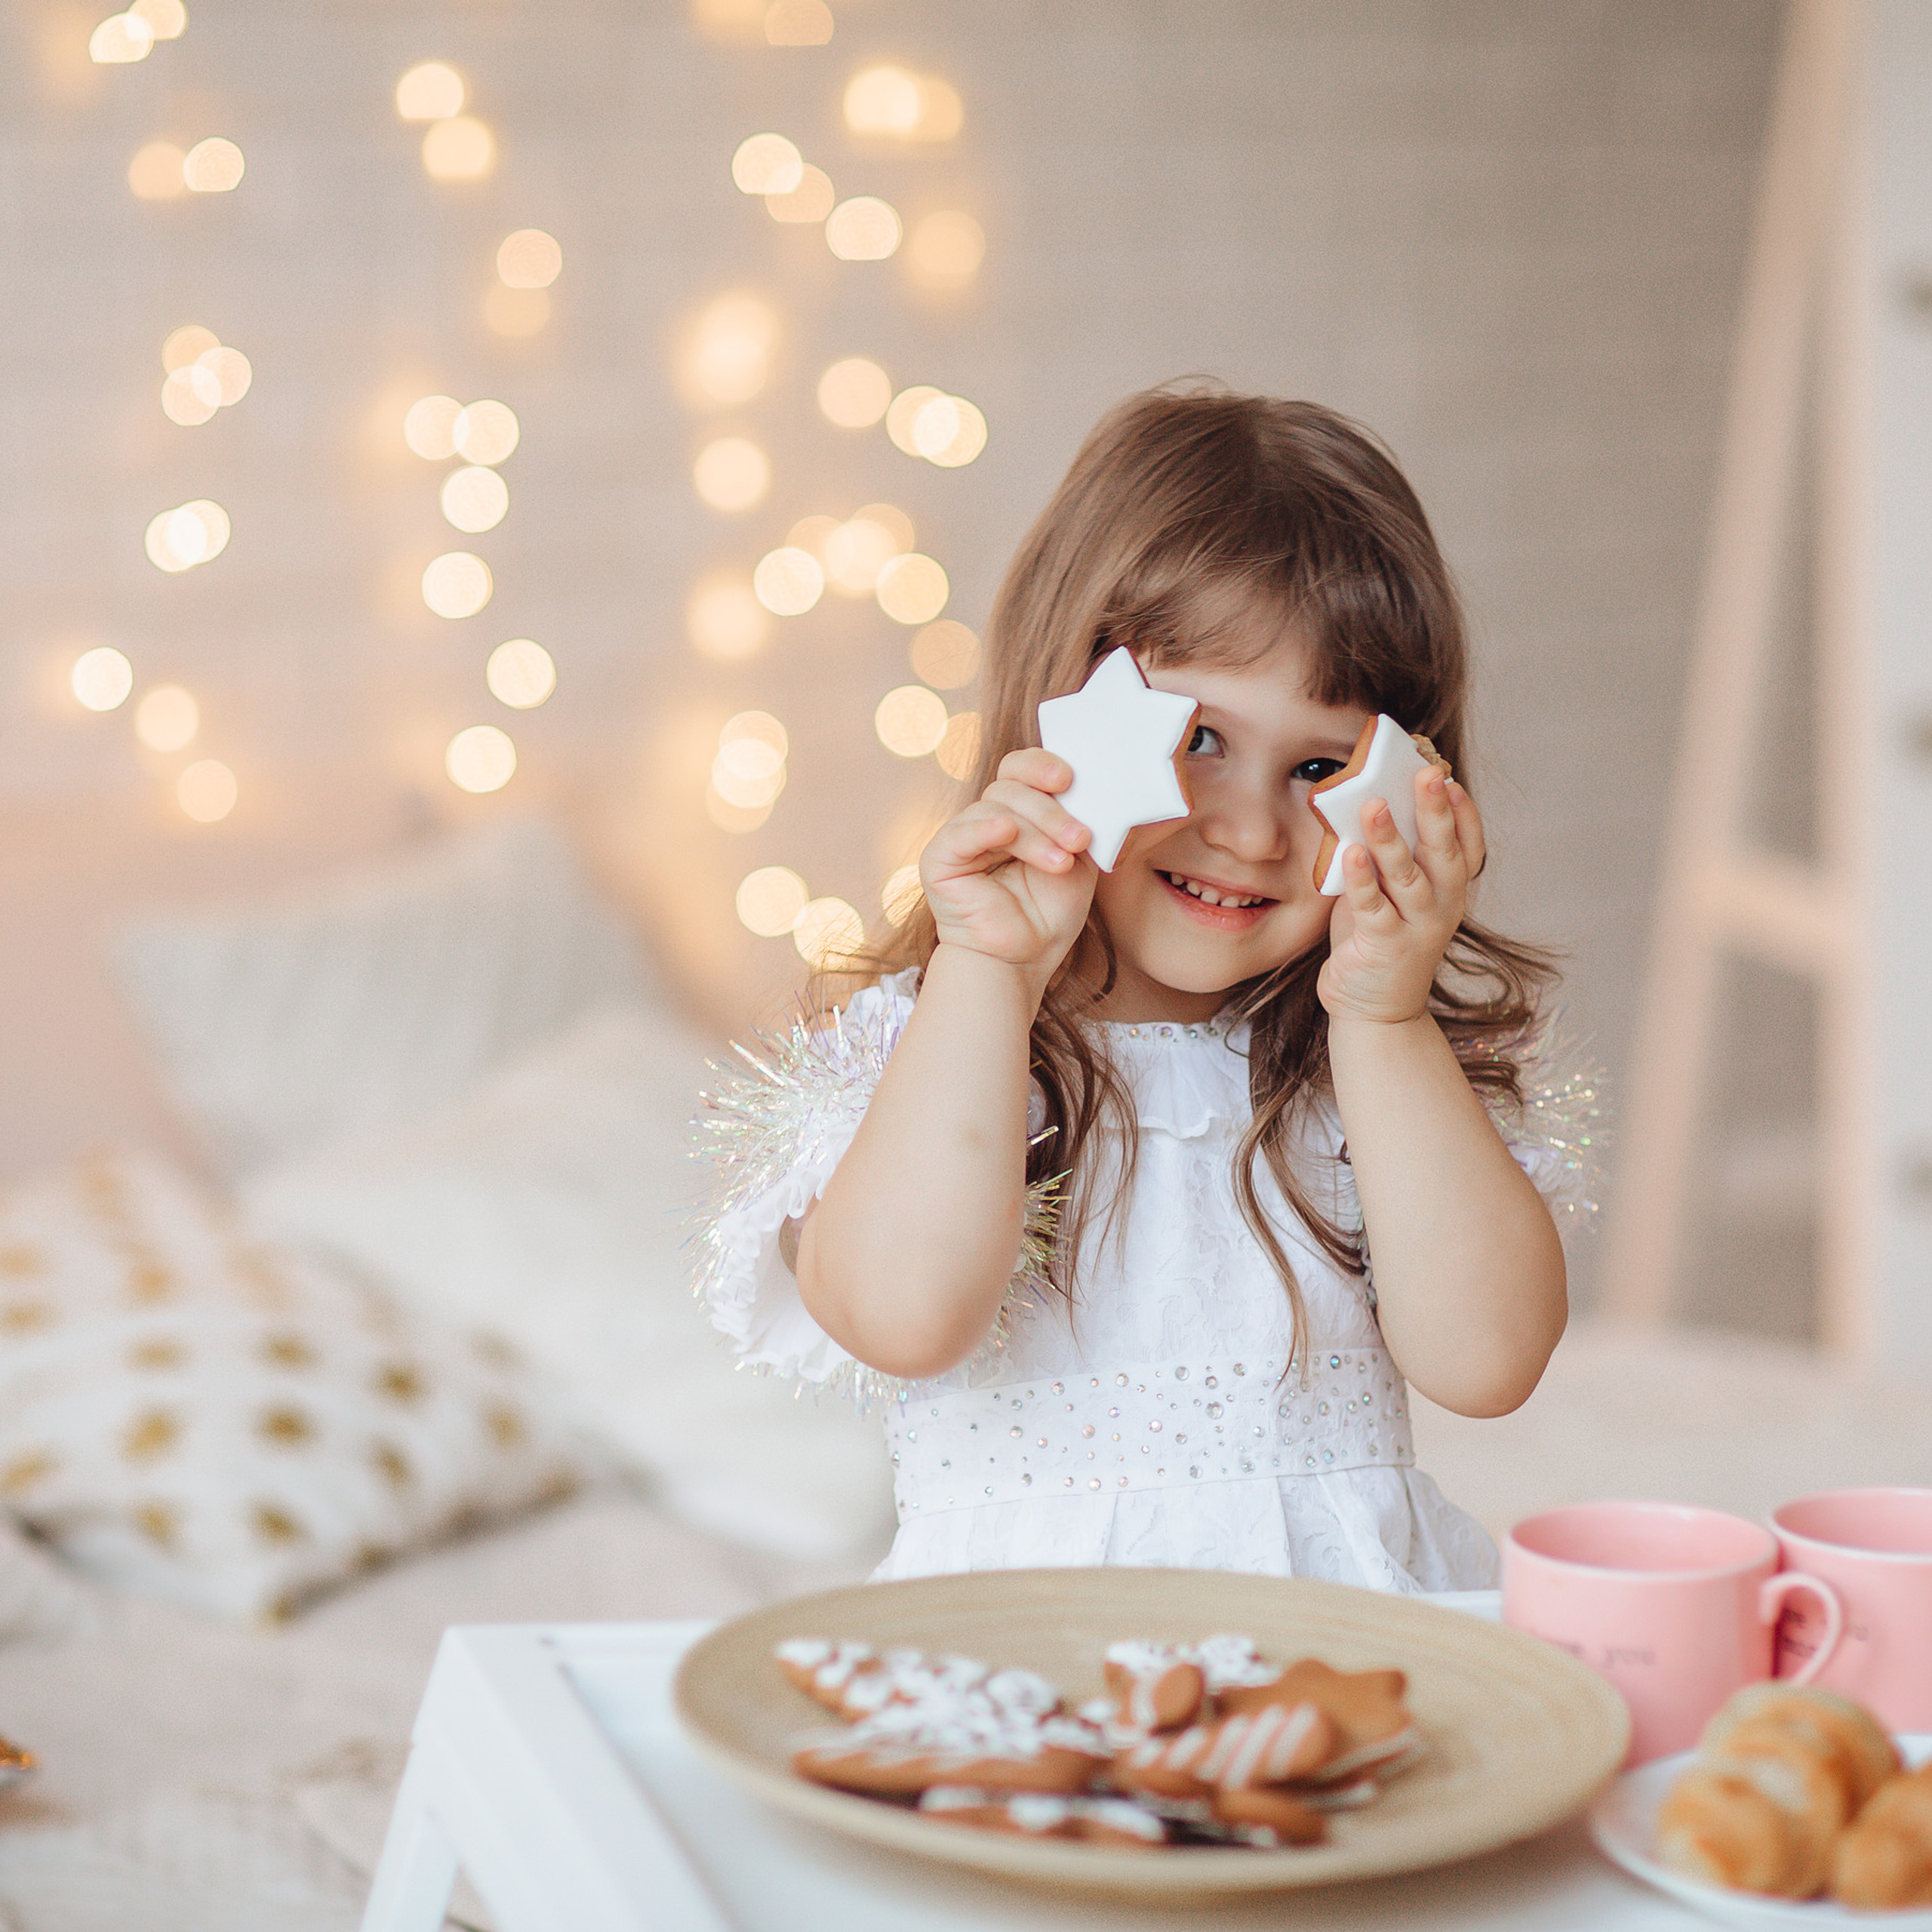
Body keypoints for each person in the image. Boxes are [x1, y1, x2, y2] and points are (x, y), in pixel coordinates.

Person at [694, 387, 1600, 1592]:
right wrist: (989, 975)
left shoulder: (1368, 1068)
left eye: (1320, 766)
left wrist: (1381, 1016)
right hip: (1033, 1662)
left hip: (1341, 1661)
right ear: (1055, 712)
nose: (1250, 830)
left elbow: (1489, 1363)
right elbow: (903, 1319)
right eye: (1201, 740)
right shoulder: (946, 1044)